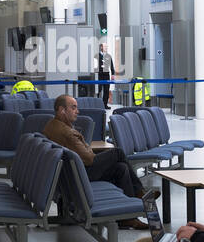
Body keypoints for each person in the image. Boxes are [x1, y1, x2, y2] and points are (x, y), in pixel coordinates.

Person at [44, 95, 157, 230]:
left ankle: (128, 218)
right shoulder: (67, 133)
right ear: (62, 110)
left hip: (71, 174)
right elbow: (89, 159)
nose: (77, 111)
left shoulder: (51, 125)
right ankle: (140, 193)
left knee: (121, 168)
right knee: (118, 152)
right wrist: (91, 151)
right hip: (80, 176)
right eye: (73, 108)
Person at [96, 43, 117, 108]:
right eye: (105, 47)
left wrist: (113, 74)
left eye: (107, 47)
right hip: (99, 75)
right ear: (101, 47)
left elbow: (111, 65)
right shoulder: (97, 56)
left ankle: (105, 105)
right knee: (98, 90)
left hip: (106, 75)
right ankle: (98, 105)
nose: (106, 48)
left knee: (106, 90)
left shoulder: (108, 56)